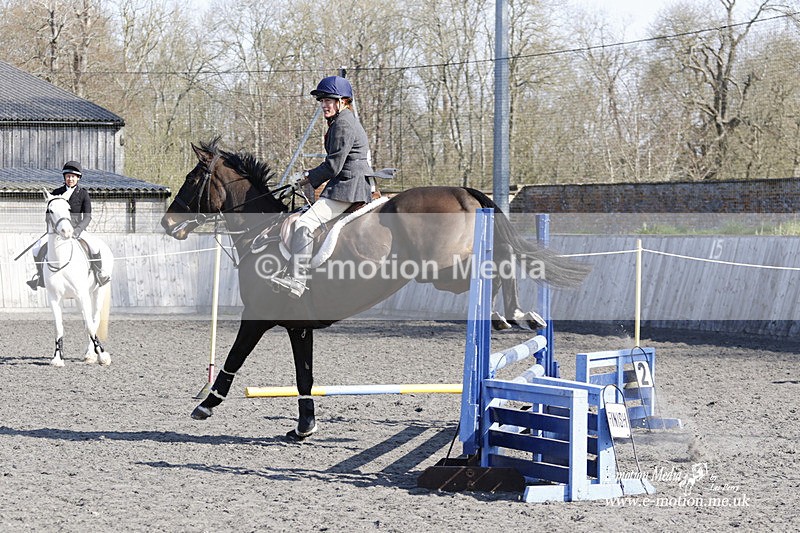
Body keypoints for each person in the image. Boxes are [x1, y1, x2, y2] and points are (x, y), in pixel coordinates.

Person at [268, 75, 375, 299]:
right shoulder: (343, 120)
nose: (324, 105)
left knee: (305, 223)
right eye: (322, 101)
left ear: (342, 101)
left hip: (348, 187)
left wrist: (306, 176)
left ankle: (297, 280)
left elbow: (333, 166)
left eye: (328, 100)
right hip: (350, 182)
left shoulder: (343, 123)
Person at [27, 160, 113, 290]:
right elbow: (48, 215)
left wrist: (78, 230)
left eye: (73, 176)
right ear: (64, 177)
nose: (70, 179)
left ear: (78, 178)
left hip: (77, 230)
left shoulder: (83, 194)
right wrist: (52, 230)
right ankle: (40, 276)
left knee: (94, 247)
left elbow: (88, 217)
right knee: (36, 248)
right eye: (68, 176)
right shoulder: (56, 193)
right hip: (57, 231)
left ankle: (99, 274)